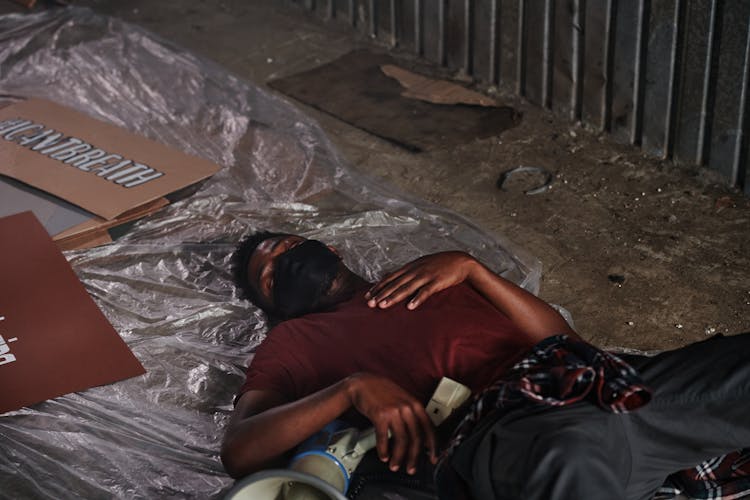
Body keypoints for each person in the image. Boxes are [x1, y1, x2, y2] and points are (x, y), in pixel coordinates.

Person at [221, 231, 750, 500]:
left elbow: (567, 341)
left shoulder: (426, 277)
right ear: (274, 307)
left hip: (607, 384)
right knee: (571, 448)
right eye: (270, 275)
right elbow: (241, 450)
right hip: (508, 428)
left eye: (287, 246)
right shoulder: (296, 339)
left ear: (330, 247)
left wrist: (473, 271)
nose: (284, 260)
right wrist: (350, 390)